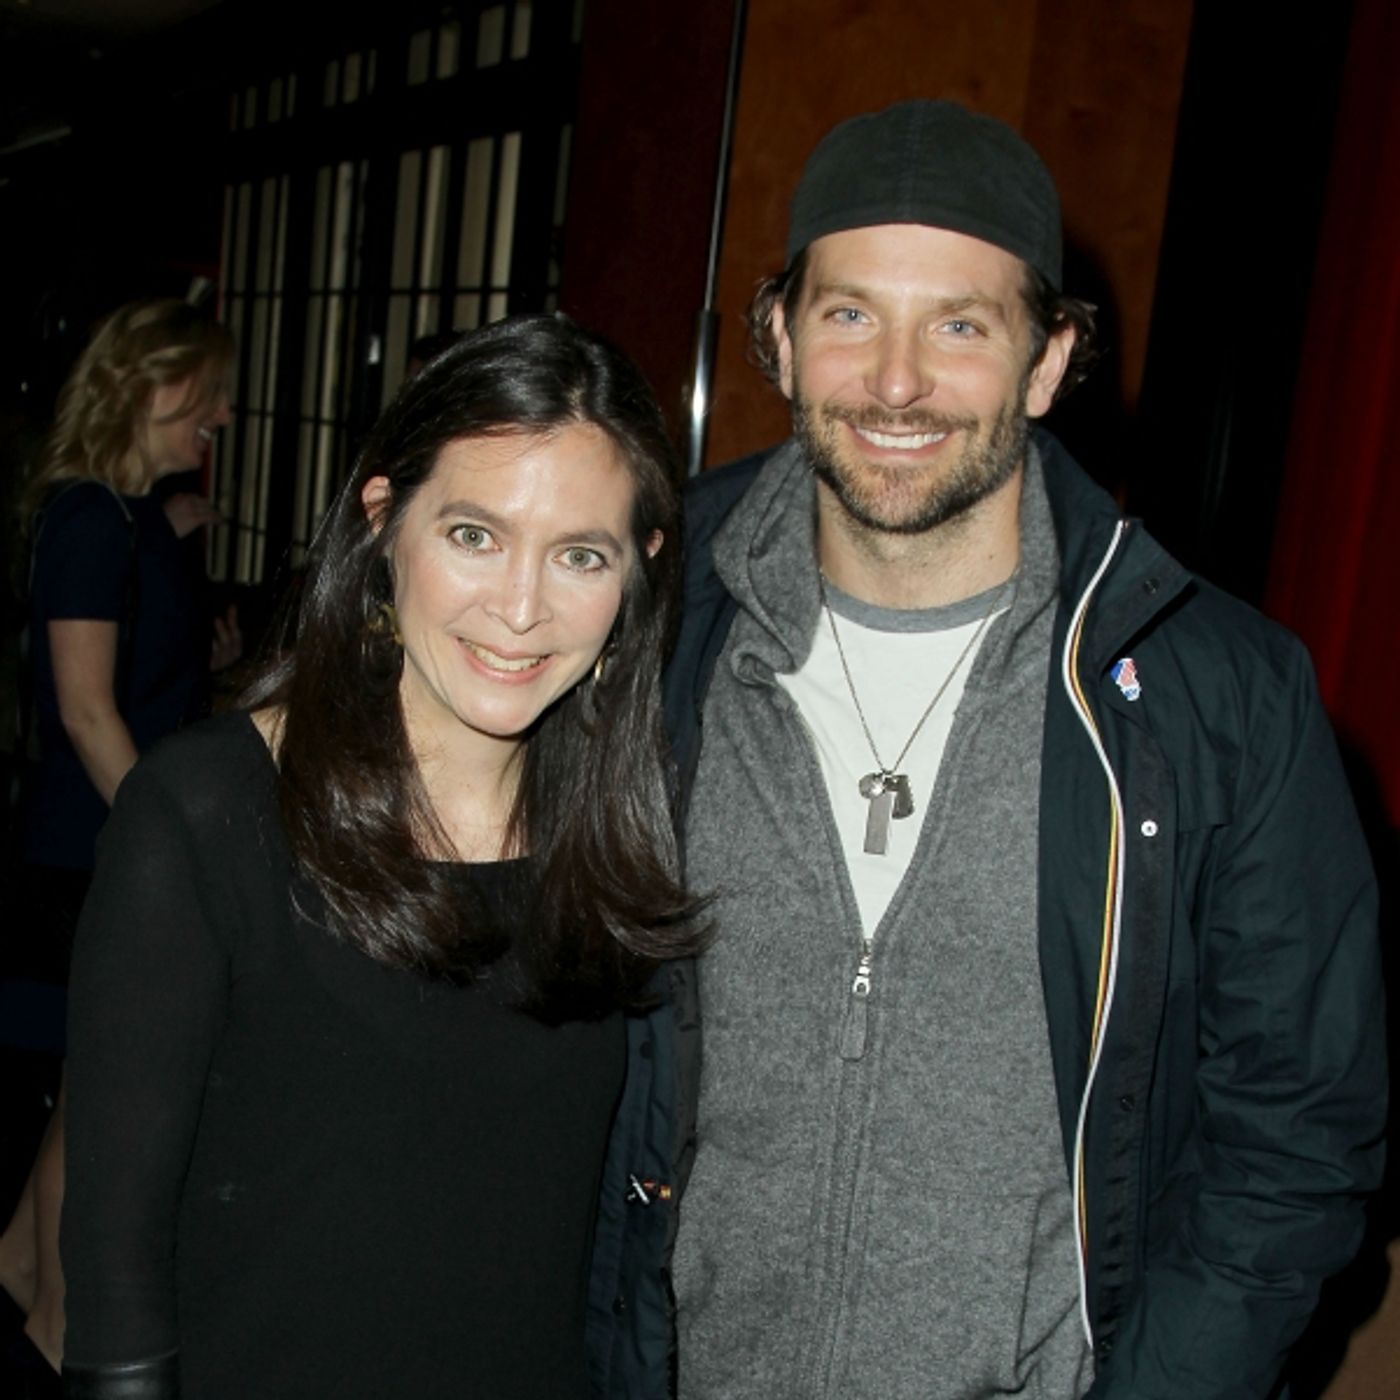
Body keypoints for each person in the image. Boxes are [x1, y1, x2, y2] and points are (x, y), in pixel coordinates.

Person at [653, 101, 1385, 1398]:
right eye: (849, 314)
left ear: (1048, 362)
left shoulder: (1225, 697)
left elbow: (1296, 1138)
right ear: (777, 333)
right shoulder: (653, 625)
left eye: (960, 326)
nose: (895, 380)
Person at [59, 313, 703, 1399]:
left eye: (578, 554)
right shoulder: (209, 811)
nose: (519, 607)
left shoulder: (624, 837)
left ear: (636, 569)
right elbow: (114, 1258)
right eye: (472, 534)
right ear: (383, 520)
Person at [0, 298, 236, 1387]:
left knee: (85, 1090)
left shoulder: (131, 518)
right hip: (89, 848)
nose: (224, 416)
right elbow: (87, 708)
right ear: (154, 389)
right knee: (95, 1091)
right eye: (209, 395)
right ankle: (51, 1312)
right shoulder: (90, 519)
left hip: (104, 840)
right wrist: (169, 842)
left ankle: (26, 1275)